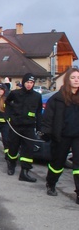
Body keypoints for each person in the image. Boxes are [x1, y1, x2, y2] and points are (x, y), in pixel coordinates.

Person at [40, 67, 79, 201]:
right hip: (62, 135)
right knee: (57, 163)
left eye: (78, 78)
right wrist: (45, 132)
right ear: (68, 80)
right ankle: (51, 184)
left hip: (77, 136)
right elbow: (48, 117)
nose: (76, 80)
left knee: (78, 166)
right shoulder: (57, 98)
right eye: (73, 78)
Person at [4, 73, 42, 182]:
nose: (29, 85)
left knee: (28, 150)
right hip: (16, 126)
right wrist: (8, 116)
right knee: (13, 147)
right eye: (27, 82)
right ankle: (11, 164)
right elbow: (7, 103)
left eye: (31, 83)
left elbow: (39, 112)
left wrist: (39, 128)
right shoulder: (15, 93)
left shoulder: (37, 96)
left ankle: (24, 172)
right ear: (23, 82)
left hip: (29, 127)